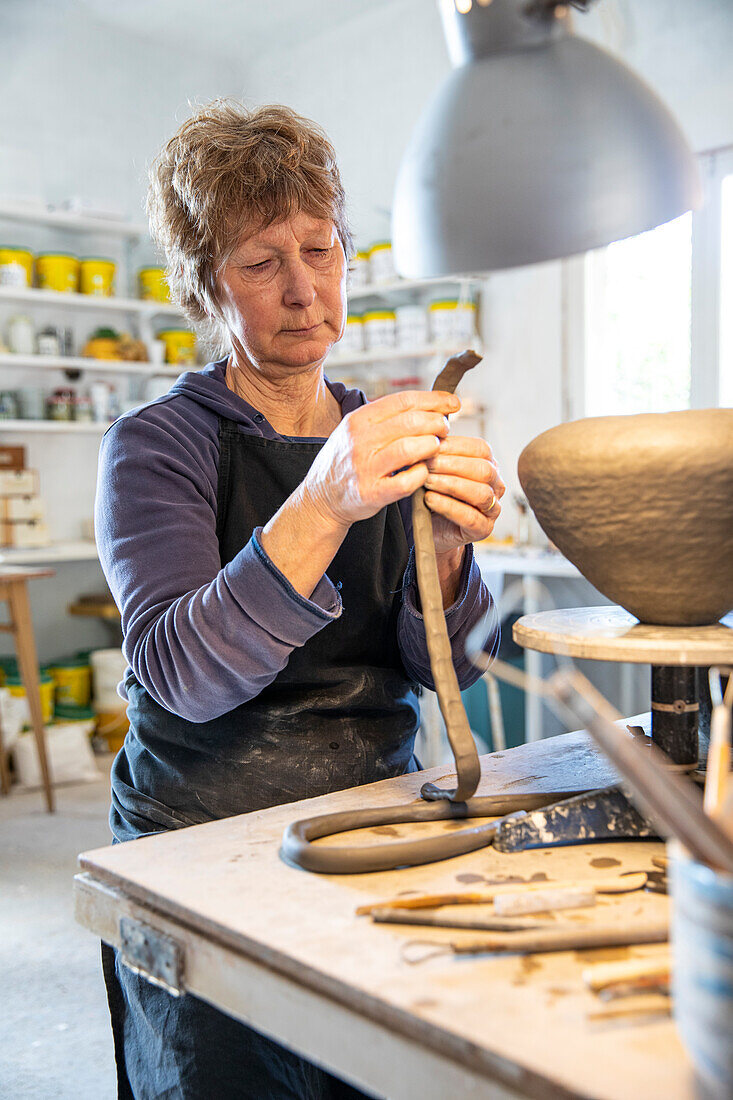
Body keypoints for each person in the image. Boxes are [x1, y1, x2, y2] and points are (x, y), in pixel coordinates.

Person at [95, 99, 505, 1100]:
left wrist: (447, 548)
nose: (302, 290)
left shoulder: (387, 428)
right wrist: (323, 499)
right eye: (260, 261)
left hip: (374, 819)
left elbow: (460, 659)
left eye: (319, 251)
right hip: (201, 839)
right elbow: (181, 673)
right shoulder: (157, 444)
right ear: (205, 283)